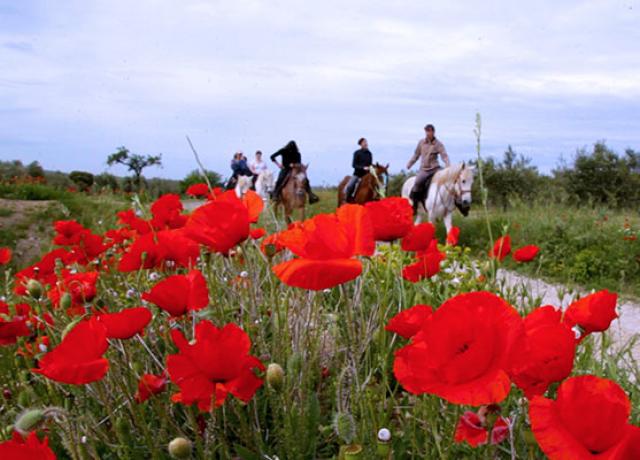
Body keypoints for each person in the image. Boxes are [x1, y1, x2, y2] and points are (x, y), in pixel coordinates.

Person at [406, 124, 450, 215]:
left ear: (433, 132)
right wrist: (410, 163)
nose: (428, 133)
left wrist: (447, 164)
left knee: (445, 182)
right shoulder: (421, 142)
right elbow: (416, 154)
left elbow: (444, 155)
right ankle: (414, 205)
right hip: (424, 169)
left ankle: (447, 204)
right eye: (426, 131)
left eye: (429, 131)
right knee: (418, 182)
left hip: (435, 169)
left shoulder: (438, 144)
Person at [344, 137, 373, 202]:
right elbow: (354, 165)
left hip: (367, 175)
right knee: (349, 186)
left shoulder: (369, 154)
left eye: (366, 142)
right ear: (360, 144)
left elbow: (370, 164)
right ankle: (346, 200)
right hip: (357, 174)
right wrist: (363, 168)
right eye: (364, 142)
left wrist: (371, 168)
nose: (365, 143)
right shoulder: (357, 153)